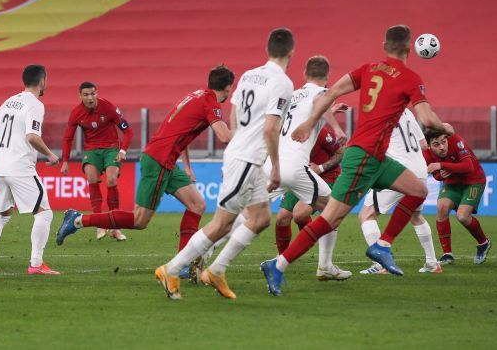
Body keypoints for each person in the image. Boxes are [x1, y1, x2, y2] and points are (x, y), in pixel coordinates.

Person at [262, 24, 451, 297]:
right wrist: (446, 128)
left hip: (377, 157)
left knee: (419, 190)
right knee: (329, 218)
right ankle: (278, 265)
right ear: (410, 49)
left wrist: (310, 123)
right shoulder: (411, 78)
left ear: (384, 46)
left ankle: (382, 245)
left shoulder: (368, 68)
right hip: (363, 157)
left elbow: (331, 93)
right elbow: (427, 120)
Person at [153, 30, 294, 300]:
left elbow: (234, 113)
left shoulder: (249, 75)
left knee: (261, 218)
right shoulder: (283, 83)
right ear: (291, 53)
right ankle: (171, 269)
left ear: (267, 49)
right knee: (221, 224)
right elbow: (271, 128)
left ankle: (217, 270)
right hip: (247, 160)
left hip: (244, 158)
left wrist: (236, 146)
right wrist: (275, 166)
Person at [56, 66, 235, 255]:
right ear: (228, 88)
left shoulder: (196, 96)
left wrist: (187, 167)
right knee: (139, 220)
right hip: (159, 160)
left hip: (166, 159)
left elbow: (182, 132)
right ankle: (78, 220)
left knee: (197, 205)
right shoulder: (211, 103)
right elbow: (224, 136)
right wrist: (251, 133)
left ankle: (183, 261)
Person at [0, 64, 61, 276]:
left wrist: (4, 155)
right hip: (21, 167)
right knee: (45, 213)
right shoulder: (35, 104)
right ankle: (36, 264)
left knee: (2, 215)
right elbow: (32, 136)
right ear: (42, 81)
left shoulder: (9, 101)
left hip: (1, 167)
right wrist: (50, 155)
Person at [358, 108, 441, 274]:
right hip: (420, 169)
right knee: (415, 216)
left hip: (399, 170)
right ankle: (432, 263)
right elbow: (423, 144)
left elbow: (372, 144)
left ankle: (382, 264)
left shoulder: (379, 111)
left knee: (367, 214)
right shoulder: (407, 111)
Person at [60, 82, 133, 241]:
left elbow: (127, 130)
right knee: (92, 179)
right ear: (80, 96)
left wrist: (123, 150)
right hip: (91, 150)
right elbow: (68, 138)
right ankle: (100, 223)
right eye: (86, 95)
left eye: (93, 93)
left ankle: (115, 226)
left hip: (111, 147)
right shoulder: (76, 113)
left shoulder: (108, 107)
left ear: (97, 93)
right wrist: (65, 160)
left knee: (112, 180)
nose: (90, 97)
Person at [423, 129, 491, 265]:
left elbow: (469, 167)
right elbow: (436, 175)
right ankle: (447, 254)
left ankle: (483, 243)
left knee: (462, 216)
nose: (442, 147)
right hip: (452, 183)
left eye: (443, 142)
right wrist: (441, 175)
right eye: (436, 144)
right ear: (429, 146)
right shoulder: (426, 154)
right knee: (441, 207)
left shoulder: (456, 140)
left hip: (473, 181)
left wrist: (442, 165)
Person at [274, 124, 344, 255]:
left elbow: (341, 152)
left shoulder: (321, 133)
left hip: (327, 178)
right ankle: (281, 258)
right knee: (282, 217)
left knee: (300, 214)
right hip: (301, 177)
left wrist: (321, 168)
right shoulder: (286, 132)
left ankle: (311, 246)